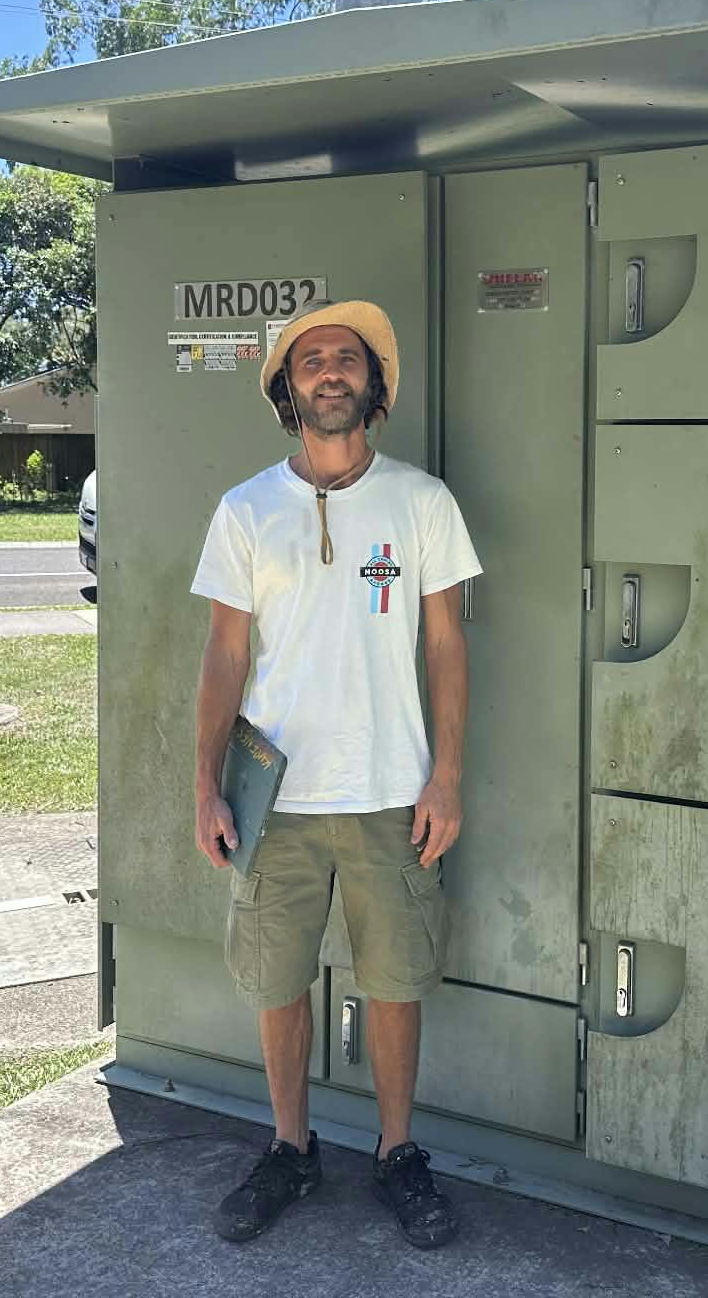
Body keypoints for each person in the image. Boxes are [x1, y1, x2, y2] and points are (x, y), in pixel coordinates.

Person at [189, 299, 480, 1249]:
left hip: (392, 790)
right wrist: (204, 785)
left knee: (394, 981)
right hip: (275, 800)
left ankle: (398, 1154)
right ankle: (290, 1149)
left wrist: (446, 777)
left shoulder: (421, 501)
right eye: (310, 360)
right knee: (279, 983)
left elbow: (447, 644)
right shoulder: (245, 509)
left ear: (372, 385)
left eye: (346, 359)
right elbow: (224, 659)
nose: (328, 372)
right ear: (287, 388)